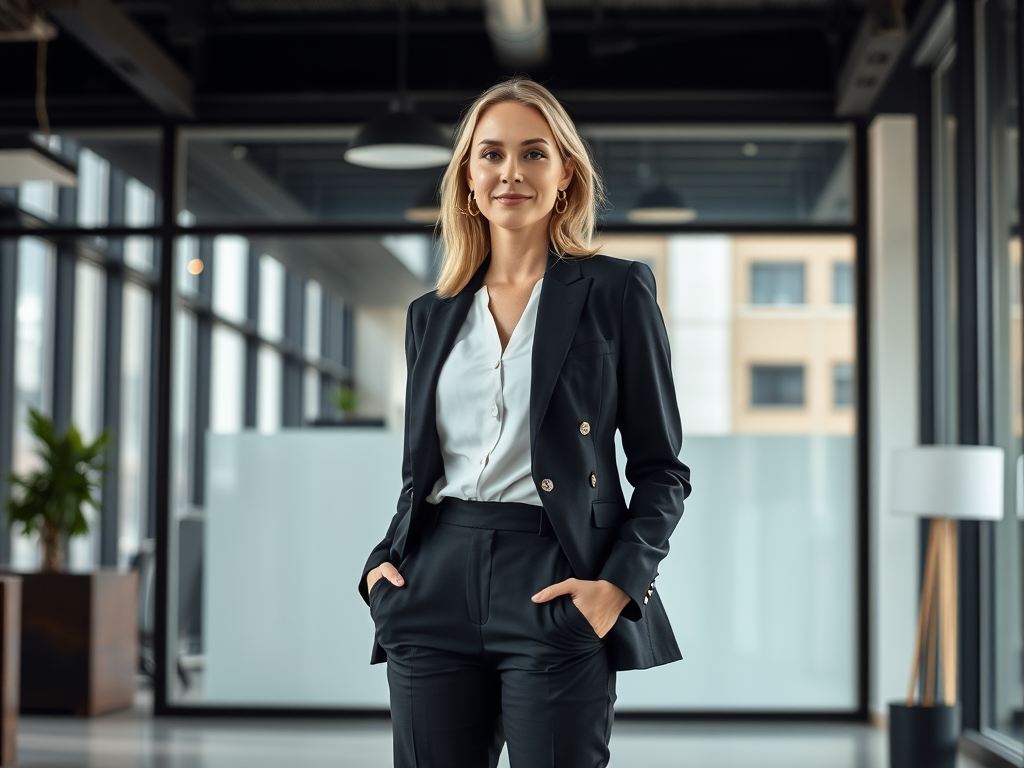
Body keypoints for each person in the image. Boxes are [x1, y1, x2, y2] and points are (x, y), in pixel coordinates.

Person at [357, 76, 691, 768]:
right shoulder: (432, 313)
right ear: (468, 177)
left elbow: (663, 471)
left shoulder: (616, 290)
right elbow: (422, 472)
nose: (511, 171)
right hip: (433, 581)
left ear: (565, 174)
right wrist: (379, 570)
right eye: (492, 155)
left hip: (554, 577)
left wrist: (616, 587)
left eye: (534, 154)